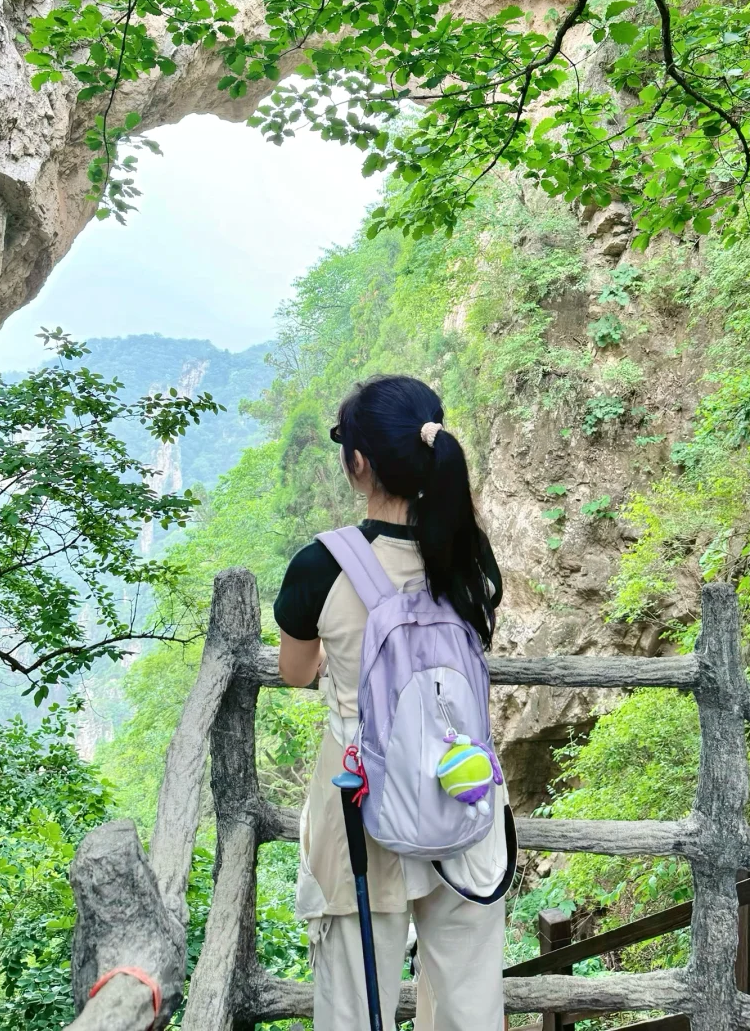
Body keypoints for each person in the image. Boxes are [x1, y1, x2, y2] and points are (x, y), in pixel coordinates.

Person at [274, 374, 510, 1031]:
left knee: (357, 1008)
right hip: (462, 793)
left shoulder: (322, 567)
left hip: (361, 806)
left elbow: (297, 671)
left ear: (359, 462)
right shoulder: (467, 558)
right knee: (470, 1008)